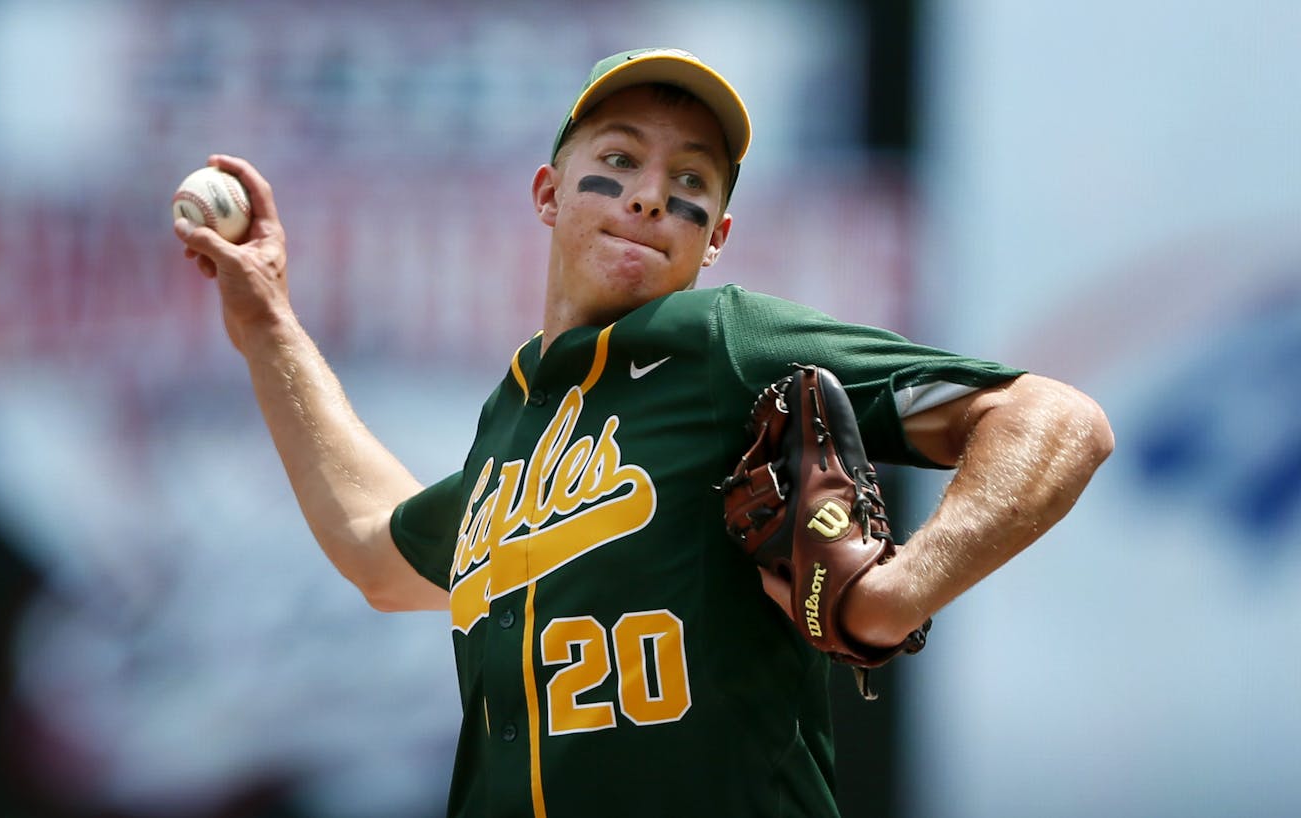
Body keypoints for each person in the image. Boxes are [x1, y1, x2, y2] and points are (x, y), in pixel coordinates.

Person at [173, 48, 1113, 818]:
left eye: (690, 180)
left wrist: (900, 592)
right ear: (549, 193)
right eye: (618, 160)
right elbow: (378, 553)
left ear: (718, 238)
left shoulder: (722, 344)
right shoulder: (517, 421)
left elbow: (1058, 420)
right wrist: (267, 327)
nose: (651, 193)